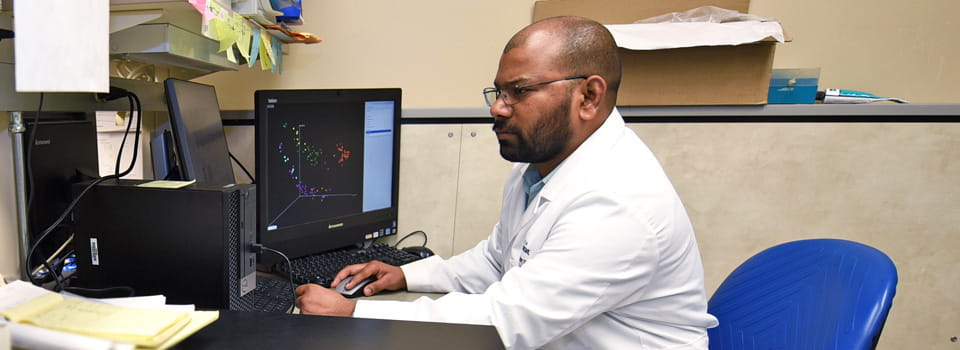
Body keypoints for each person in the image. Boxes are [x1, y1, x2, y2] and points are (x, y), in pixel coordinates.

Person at [296, 15, 719, 349]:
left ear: (588, 97)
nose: (498, 108)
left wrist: (353, 315)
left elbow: (502, 324)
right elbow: (498, 259)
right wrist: (406, 276)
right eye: (498, 91)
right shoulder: (539, 168)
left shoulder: (619, 203)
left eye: (519, 91)